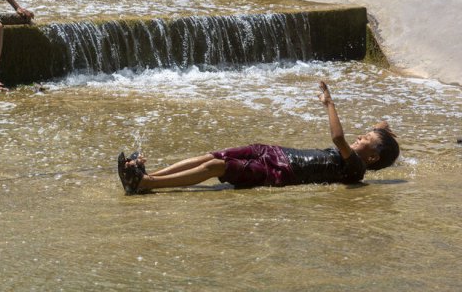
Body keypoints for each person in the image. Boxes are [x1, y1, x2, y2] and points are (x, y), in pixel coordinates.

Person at [118, 81, 399, 194]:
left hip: (277, 172)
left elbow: (338, 139)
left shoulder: (356, 168)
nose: (359, 137)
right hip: (272, 152)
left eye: (365, 138)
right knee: (213, 156)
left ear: (372, 157)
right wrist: (383, 130)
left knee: (218, 167)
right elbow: (379, 131)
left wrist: (329, 103)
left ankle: (145, 183)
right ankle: (149, 174)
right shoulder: (366, 156)